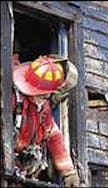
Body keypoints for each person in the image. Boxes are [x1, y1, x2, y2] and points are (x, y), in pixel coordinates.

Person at [11, 54, 80, 187]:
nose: (46, 97)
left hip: (19, 171)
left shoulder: (43, 107)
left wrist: (68, 171)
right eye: (42, 95)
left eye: (47, 94)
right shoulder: (12, 99)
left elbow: (53, 134)